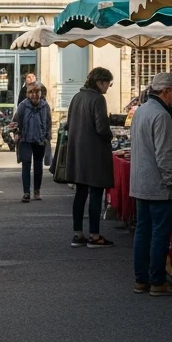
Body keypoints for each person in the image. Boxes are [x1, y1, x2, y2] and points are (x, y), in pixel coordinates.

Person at [130, 72, 172, 296]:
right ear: (167, 92)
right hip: (157, 185)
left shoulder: (141, 110)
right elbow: (164, 156)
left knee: (143, 232)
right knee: (159, 234)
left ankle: (141, 280)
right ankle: (157, 281)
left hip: (141, 182)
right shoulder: (161, 116)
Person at [66, 67, 115, 248]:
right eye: (107, 83)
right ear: (99, 82)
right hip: (95, 154)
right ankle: (95, 235)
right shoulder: (98, 99)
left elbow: (69, 123)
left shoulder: (77, 97)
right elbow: (102, 127)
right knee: (95, 193)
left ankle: (78, 234)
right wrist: (110, 135)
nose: (108, 87)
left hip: (78, 153)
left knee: (80, 194)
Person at [13, 82, 51, 202]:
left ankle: (37, 191)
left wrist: (47, 136)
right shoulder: (23, 106)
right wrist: (16, 132)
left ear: (41, 93)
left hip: (40, 140)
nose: (34, 95)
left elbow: (49, 122)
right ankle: (26, 193)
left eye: (37, 92)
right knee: (26, 165)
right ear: (27, 94)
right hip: (25, 139)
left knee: (38, 166)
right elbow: (15, 121)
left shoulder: (45, 106)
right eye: (31, 92)